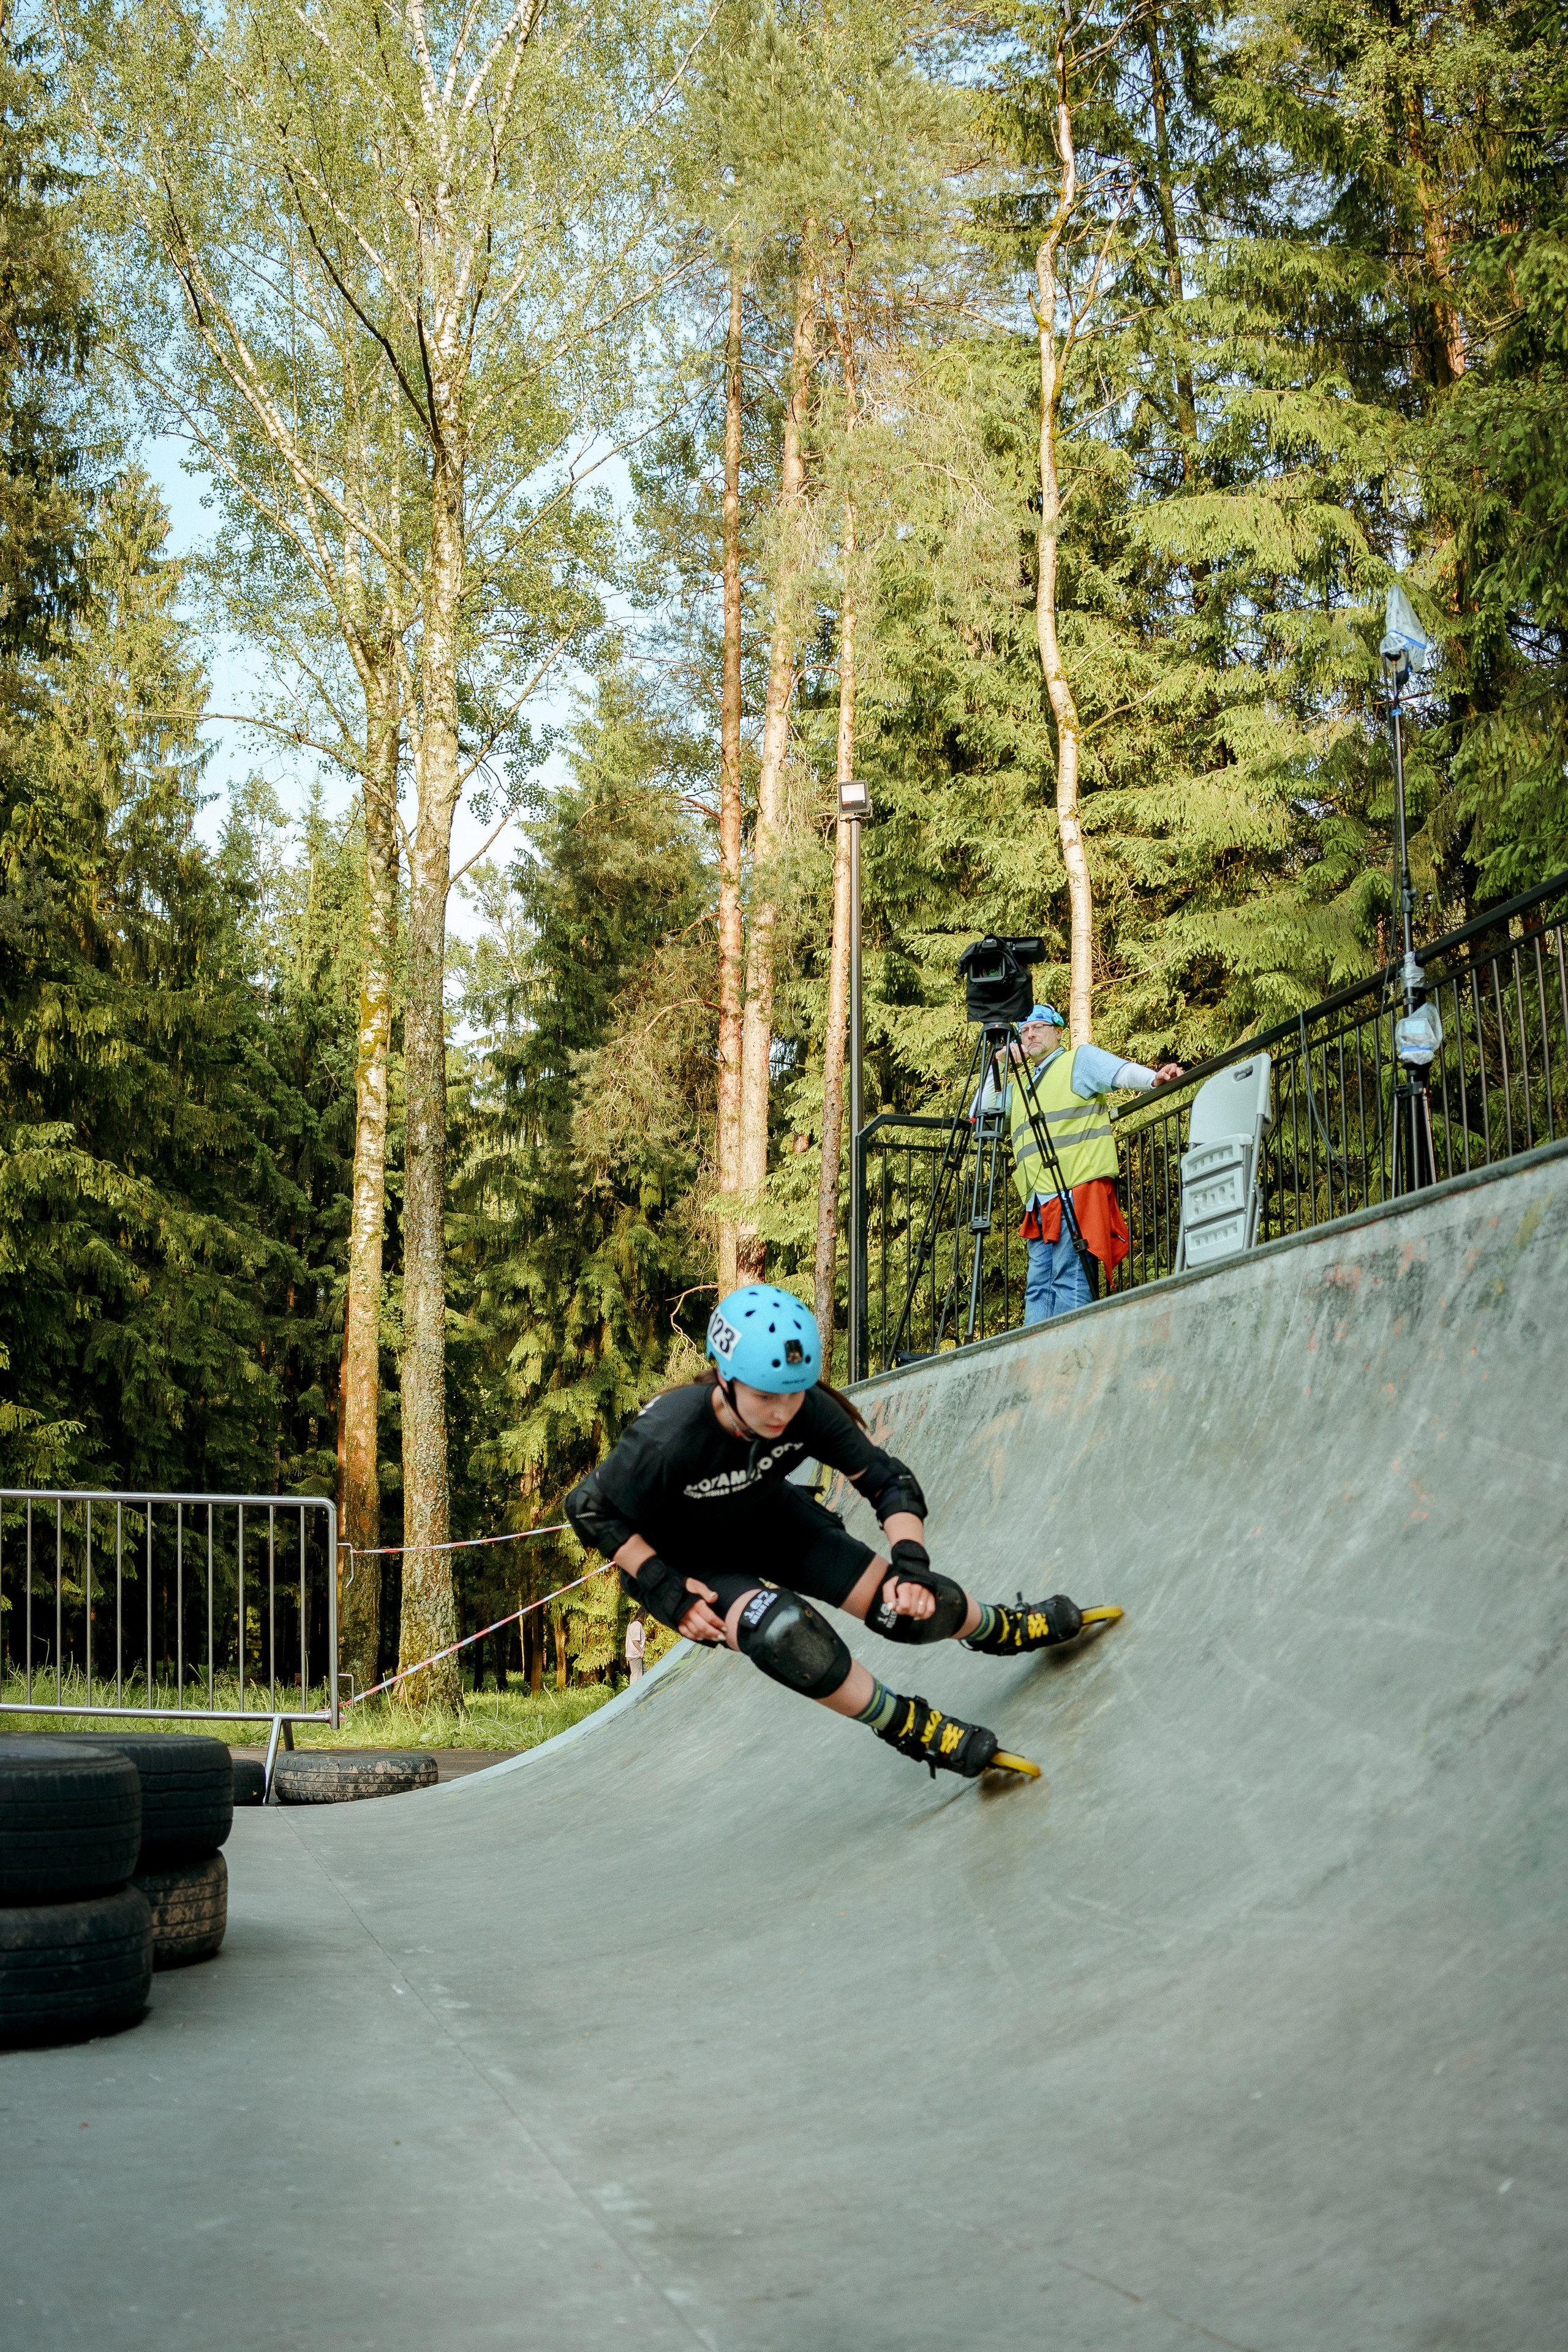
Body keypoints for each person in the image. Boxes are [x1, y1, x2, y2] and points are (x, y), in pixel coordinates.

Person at [565, 1283, 1118, 1781]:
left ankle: (999, 1628)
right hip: (685, 1562)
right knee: (781, 1632)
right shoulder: (669, 1435)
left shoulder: (808, 1409)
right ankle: (905, 1725)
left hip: (768, 1520)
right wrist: (663, 1585)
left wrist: (912, 1567)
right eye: (765, 1397)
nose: (783, 1412)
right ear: (727, 1380)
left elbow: (889, 1482)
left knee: (905, 1604)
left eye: (795, 1393)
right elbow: (589, 1509)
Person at [976, 1003, 1182, 1323]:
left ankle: (1070, 1358)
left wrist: (1154, 1079)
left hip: (1077, 1189)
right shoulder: (1019, 1086)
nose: (1031, 1034)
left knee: (1068, 1278)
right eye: (1025, 1031)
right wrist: (999, 1062)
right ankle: (1037, 1359)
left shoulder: (1077, 1061)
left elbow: (1118, 1072)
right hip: (1040, 1200)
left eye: (1039, 1027)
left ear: (1059, 1032)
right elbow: (982, 1112)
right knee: (1037, 1287)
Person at [625, 1608, 647, 1684]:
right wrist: (641, 1652)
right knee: (637, 1678)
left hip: (633, 1655)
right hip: (636, 1655)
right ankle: (634, 1694)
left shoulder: (631, 1624)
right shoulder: (637, 1625)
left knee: (646, 1673)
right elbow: (635, 1641)